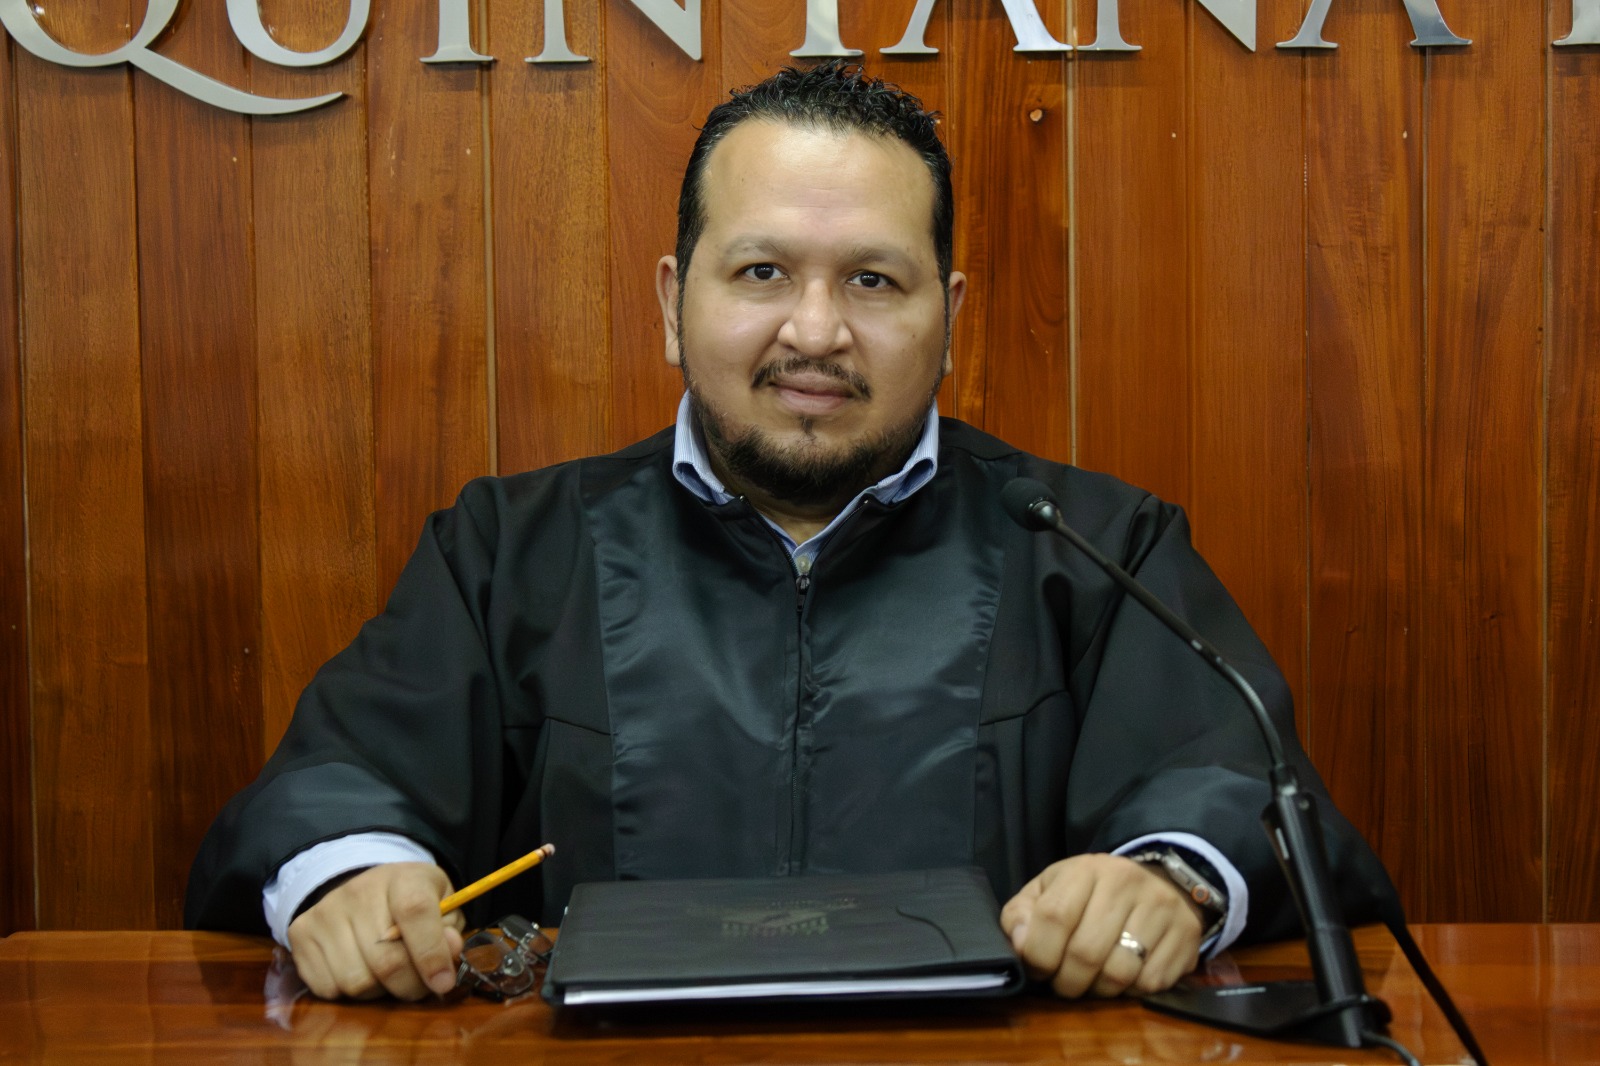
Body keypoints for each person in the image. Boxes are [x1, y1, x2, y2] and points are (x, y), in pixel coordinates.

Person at [186, 61, 1382, 1004]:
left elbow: (1230, 787)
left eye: (872, 280)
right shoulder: (510, 549)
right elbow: (338, 780)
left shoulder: (1090, 544)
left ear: (949, 315)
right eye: (761, 271)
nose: (814, 331)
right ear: (674, 302)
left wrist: (1166, 879)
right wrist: (351, 877)